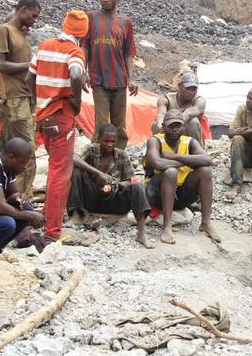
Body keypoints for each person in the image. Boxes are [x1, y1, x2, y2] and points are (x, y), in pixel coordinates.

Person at [28, 10, 88, 240]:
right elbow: (75, 73)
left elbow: (29, 77)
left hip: (44, 116)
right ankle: (52, 230)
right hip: (61, 116)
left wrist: (39, 102)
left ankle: (48, 217)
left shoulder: (45, 45)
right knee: (59, 173)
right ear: (83, 33)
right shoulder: (75, 51)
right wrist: (77, 100)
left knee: (55, 168)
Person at [68, 124, 154, 248]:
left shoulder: (122, 155)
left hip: (112, 201)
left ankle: (141, 233)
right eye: (106, 141)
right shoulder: (91, 150)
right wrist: (98, 173)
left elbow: (129, 180)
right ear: (99, 139)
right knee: (76, 170)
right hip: (91, 198)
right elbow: (73, 158)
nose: (109, 144)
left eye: (113, 141)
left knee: (138, 186)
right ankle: (76, 215)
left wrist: (116, 184)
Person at [143, 109, 220, 244]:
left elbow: (207, 160)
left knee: (205, 171)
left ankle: (206, 223)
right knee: (170, 172)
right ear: (164, 127)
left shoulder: (189, 142)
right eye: (171, 126)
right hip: (156, 193)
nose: (175, 129)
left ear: (183, 126)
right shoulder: (155, 141)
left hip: (180, 194)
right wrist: (188, 160)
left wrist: (175, 157)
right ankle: (167, 226)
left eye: (178, 125)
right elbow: (158, 163)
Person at [0, 0, 41, 195]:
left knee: (8, 154)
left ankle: (6, 197)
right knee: (25, 155)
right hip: (14, 101)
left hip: (22, 99)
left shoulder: (20, 34)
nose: (34, 21)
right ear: (22, 10)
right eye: (33, 16)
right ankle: (22, 201)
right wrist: (31, 65)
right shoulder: (5, 31)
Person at [83, 0, 138, 149]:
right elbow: (85, 46)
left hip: (119, 80)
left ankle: (119, 157)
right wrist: (84, 72)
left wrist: (131, 78)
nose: (105, 0)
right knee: (100, 124)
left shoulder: (125, 22)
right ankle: (96, 157)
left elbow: (128, 53)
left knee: (119, 125)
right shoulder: (91, 18)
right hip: (98, 80)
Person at [152, 72, 206, 146]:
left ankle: (197, 152)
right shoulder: (166, 98)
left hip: (188, 136)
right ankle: (160, 149)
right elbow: (161, 113)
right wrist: (161, 125)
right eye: (188, 88)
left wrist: (175, 124)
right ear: (180, 86)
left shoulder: (199, 100)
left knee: (193, 122)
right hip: (169, 133)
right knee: (156, 124)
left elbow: (190, 113)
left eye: (194, 89)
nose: (191, 92)